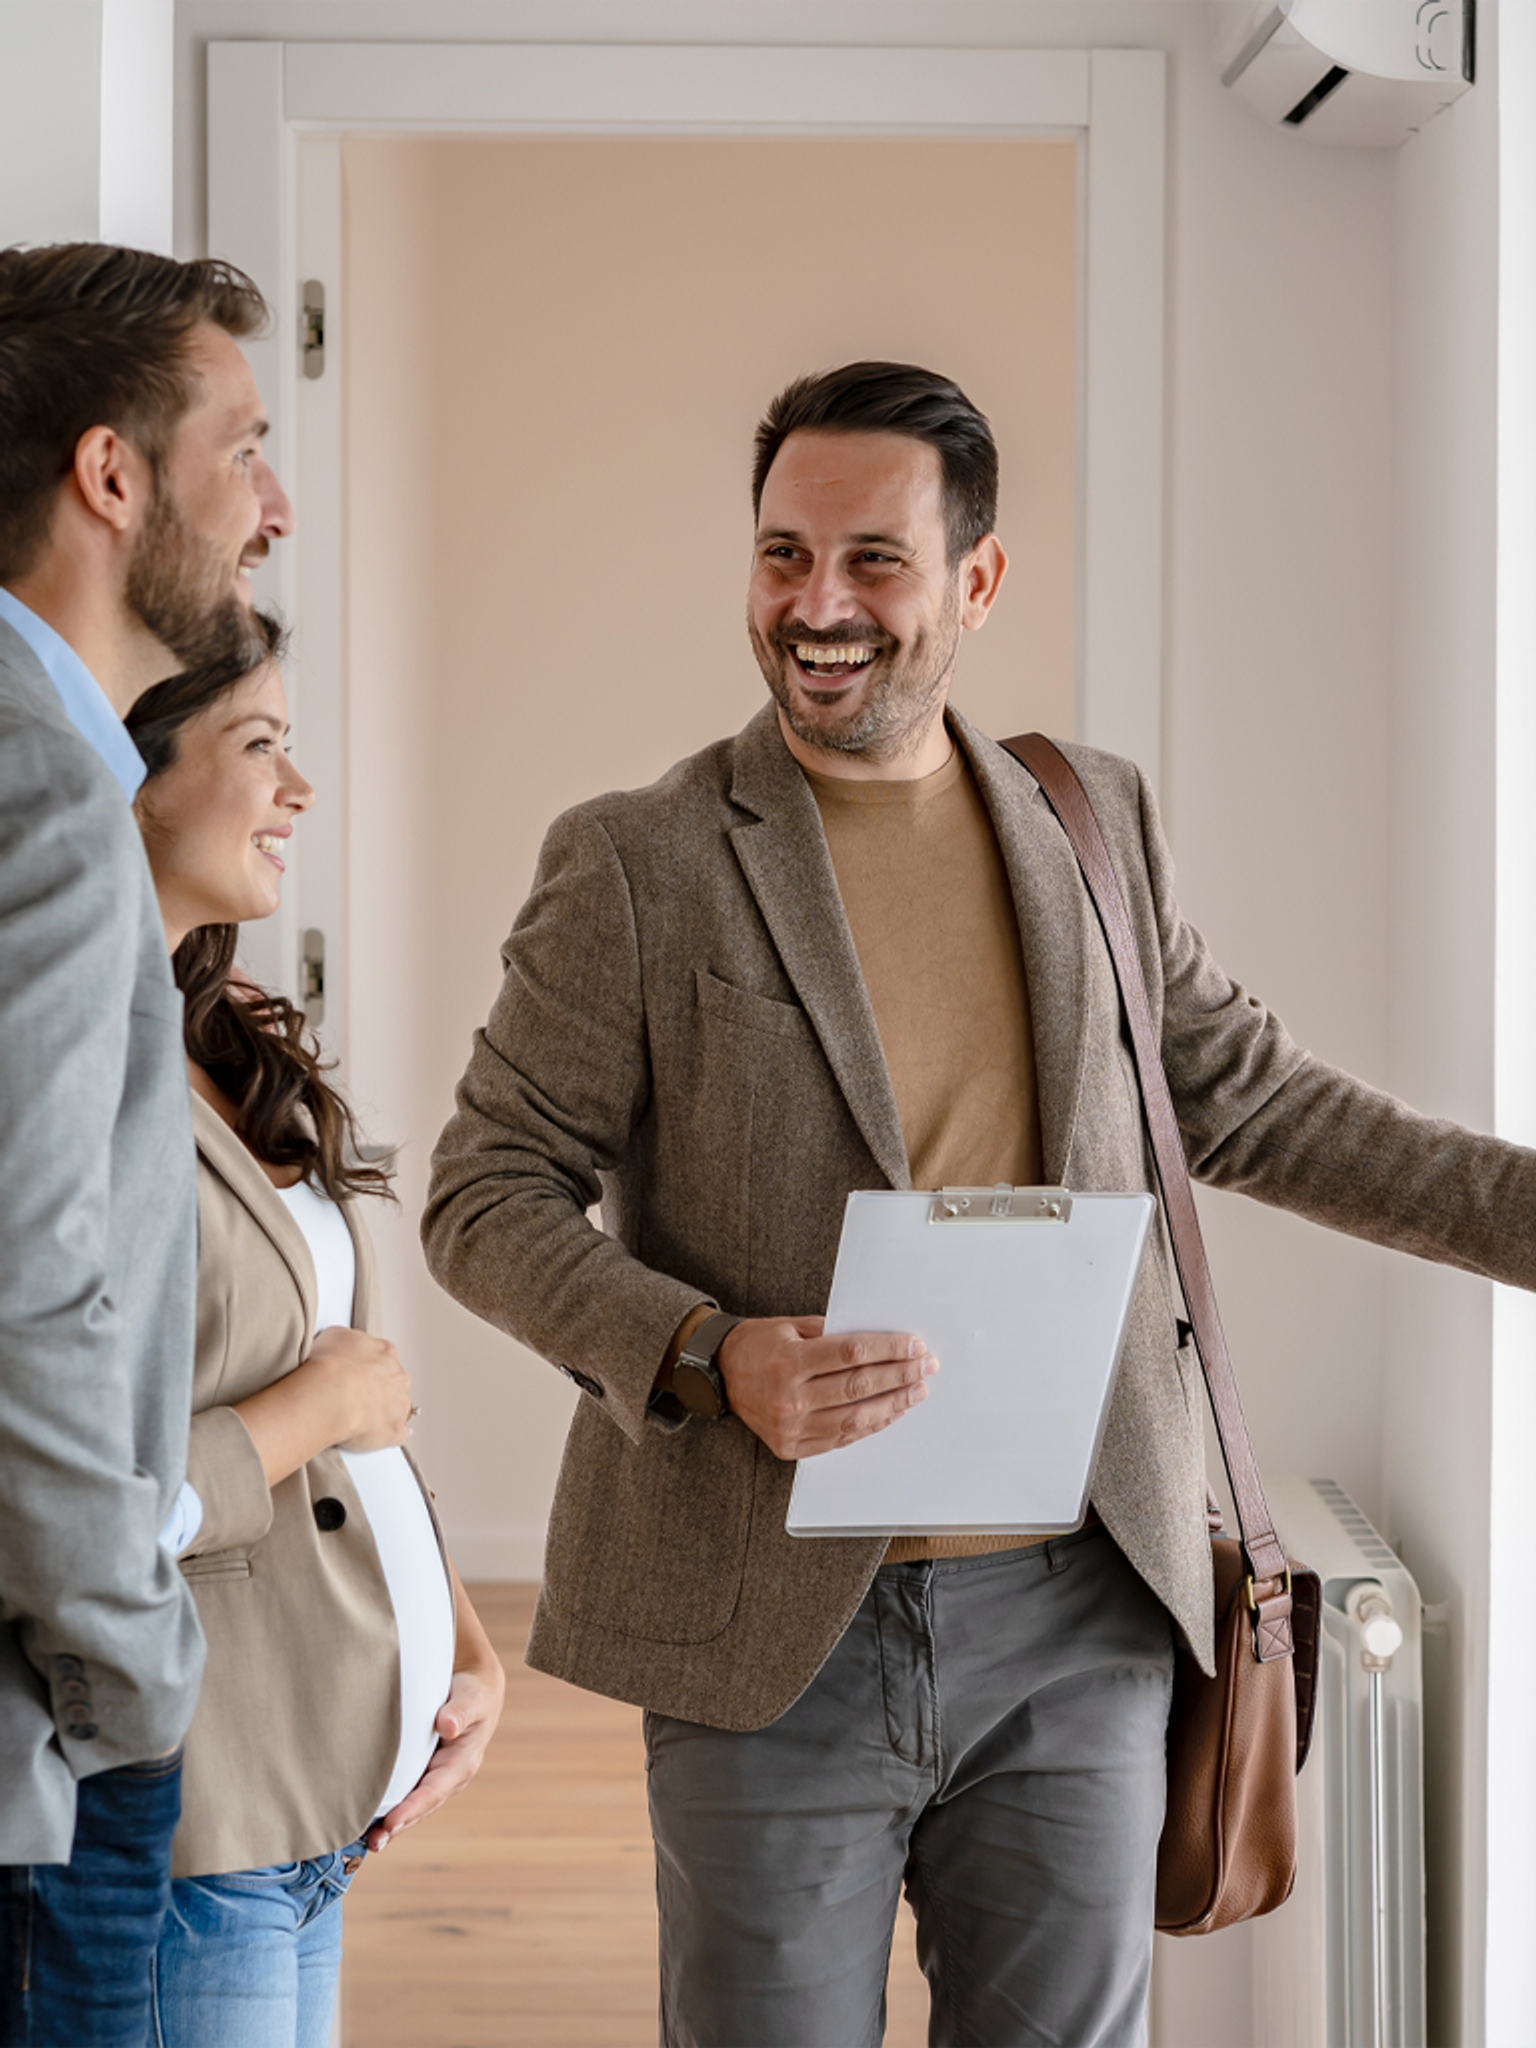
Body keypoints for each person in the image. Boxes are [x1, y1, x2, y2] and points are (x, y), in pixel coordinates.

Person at [422, 360, 1536, 2048]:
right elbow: (483, 1191)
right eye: (784, 555)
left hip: (1079, 1605)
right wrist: (713, 1351)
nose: (818, 606)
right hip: (766, 1614)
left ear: (976, 583)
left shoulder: (1090, 824)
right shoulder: (641, 859)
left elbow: (1258, 1102)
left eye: (874, 560)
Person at [121, 626, 505, 2046]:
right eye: (260, 746)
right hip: (195, 1819)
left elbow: (364, 1396)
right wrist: (319, 1406)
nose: (301, 791)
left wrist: (460, 1640)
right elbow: (77, 1505)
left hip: (321, 1805)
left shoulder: (216, 1048)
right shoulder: (54, 1077)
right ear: (132, 772)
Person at [0, 242, 293, 2044]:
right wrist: (133, 1674)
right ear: (113, 475)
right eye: (245, 449)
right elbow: (35, 1287)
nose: (273, 507)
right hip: (49, 1748)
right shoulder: (42, 790)